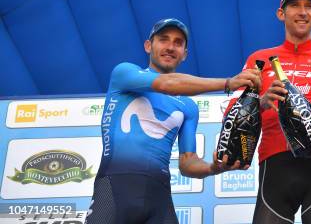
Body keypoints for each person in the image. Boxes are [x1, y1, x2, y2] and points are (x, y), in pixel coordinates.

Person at [86, 18, 261, 224]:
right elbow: (167, 84)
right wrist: (227, 83)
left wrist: (214, 168)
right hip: (116, 185)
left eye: (178, 43)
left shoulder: (188, 106)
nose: (170, 47)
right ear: (148, 45)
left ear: (185, 54)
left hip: (159, 197)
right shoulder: (124, 73)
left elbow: (188, 163)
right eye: (163, 39)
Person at [225, 0, 311, 224]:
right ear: (281, 13)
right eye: (295, 5)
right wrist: (260, 102)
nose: (302, 12)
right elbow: (231, 116)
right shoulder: (259, 59)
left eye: (309, 6)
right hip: (274, 169)